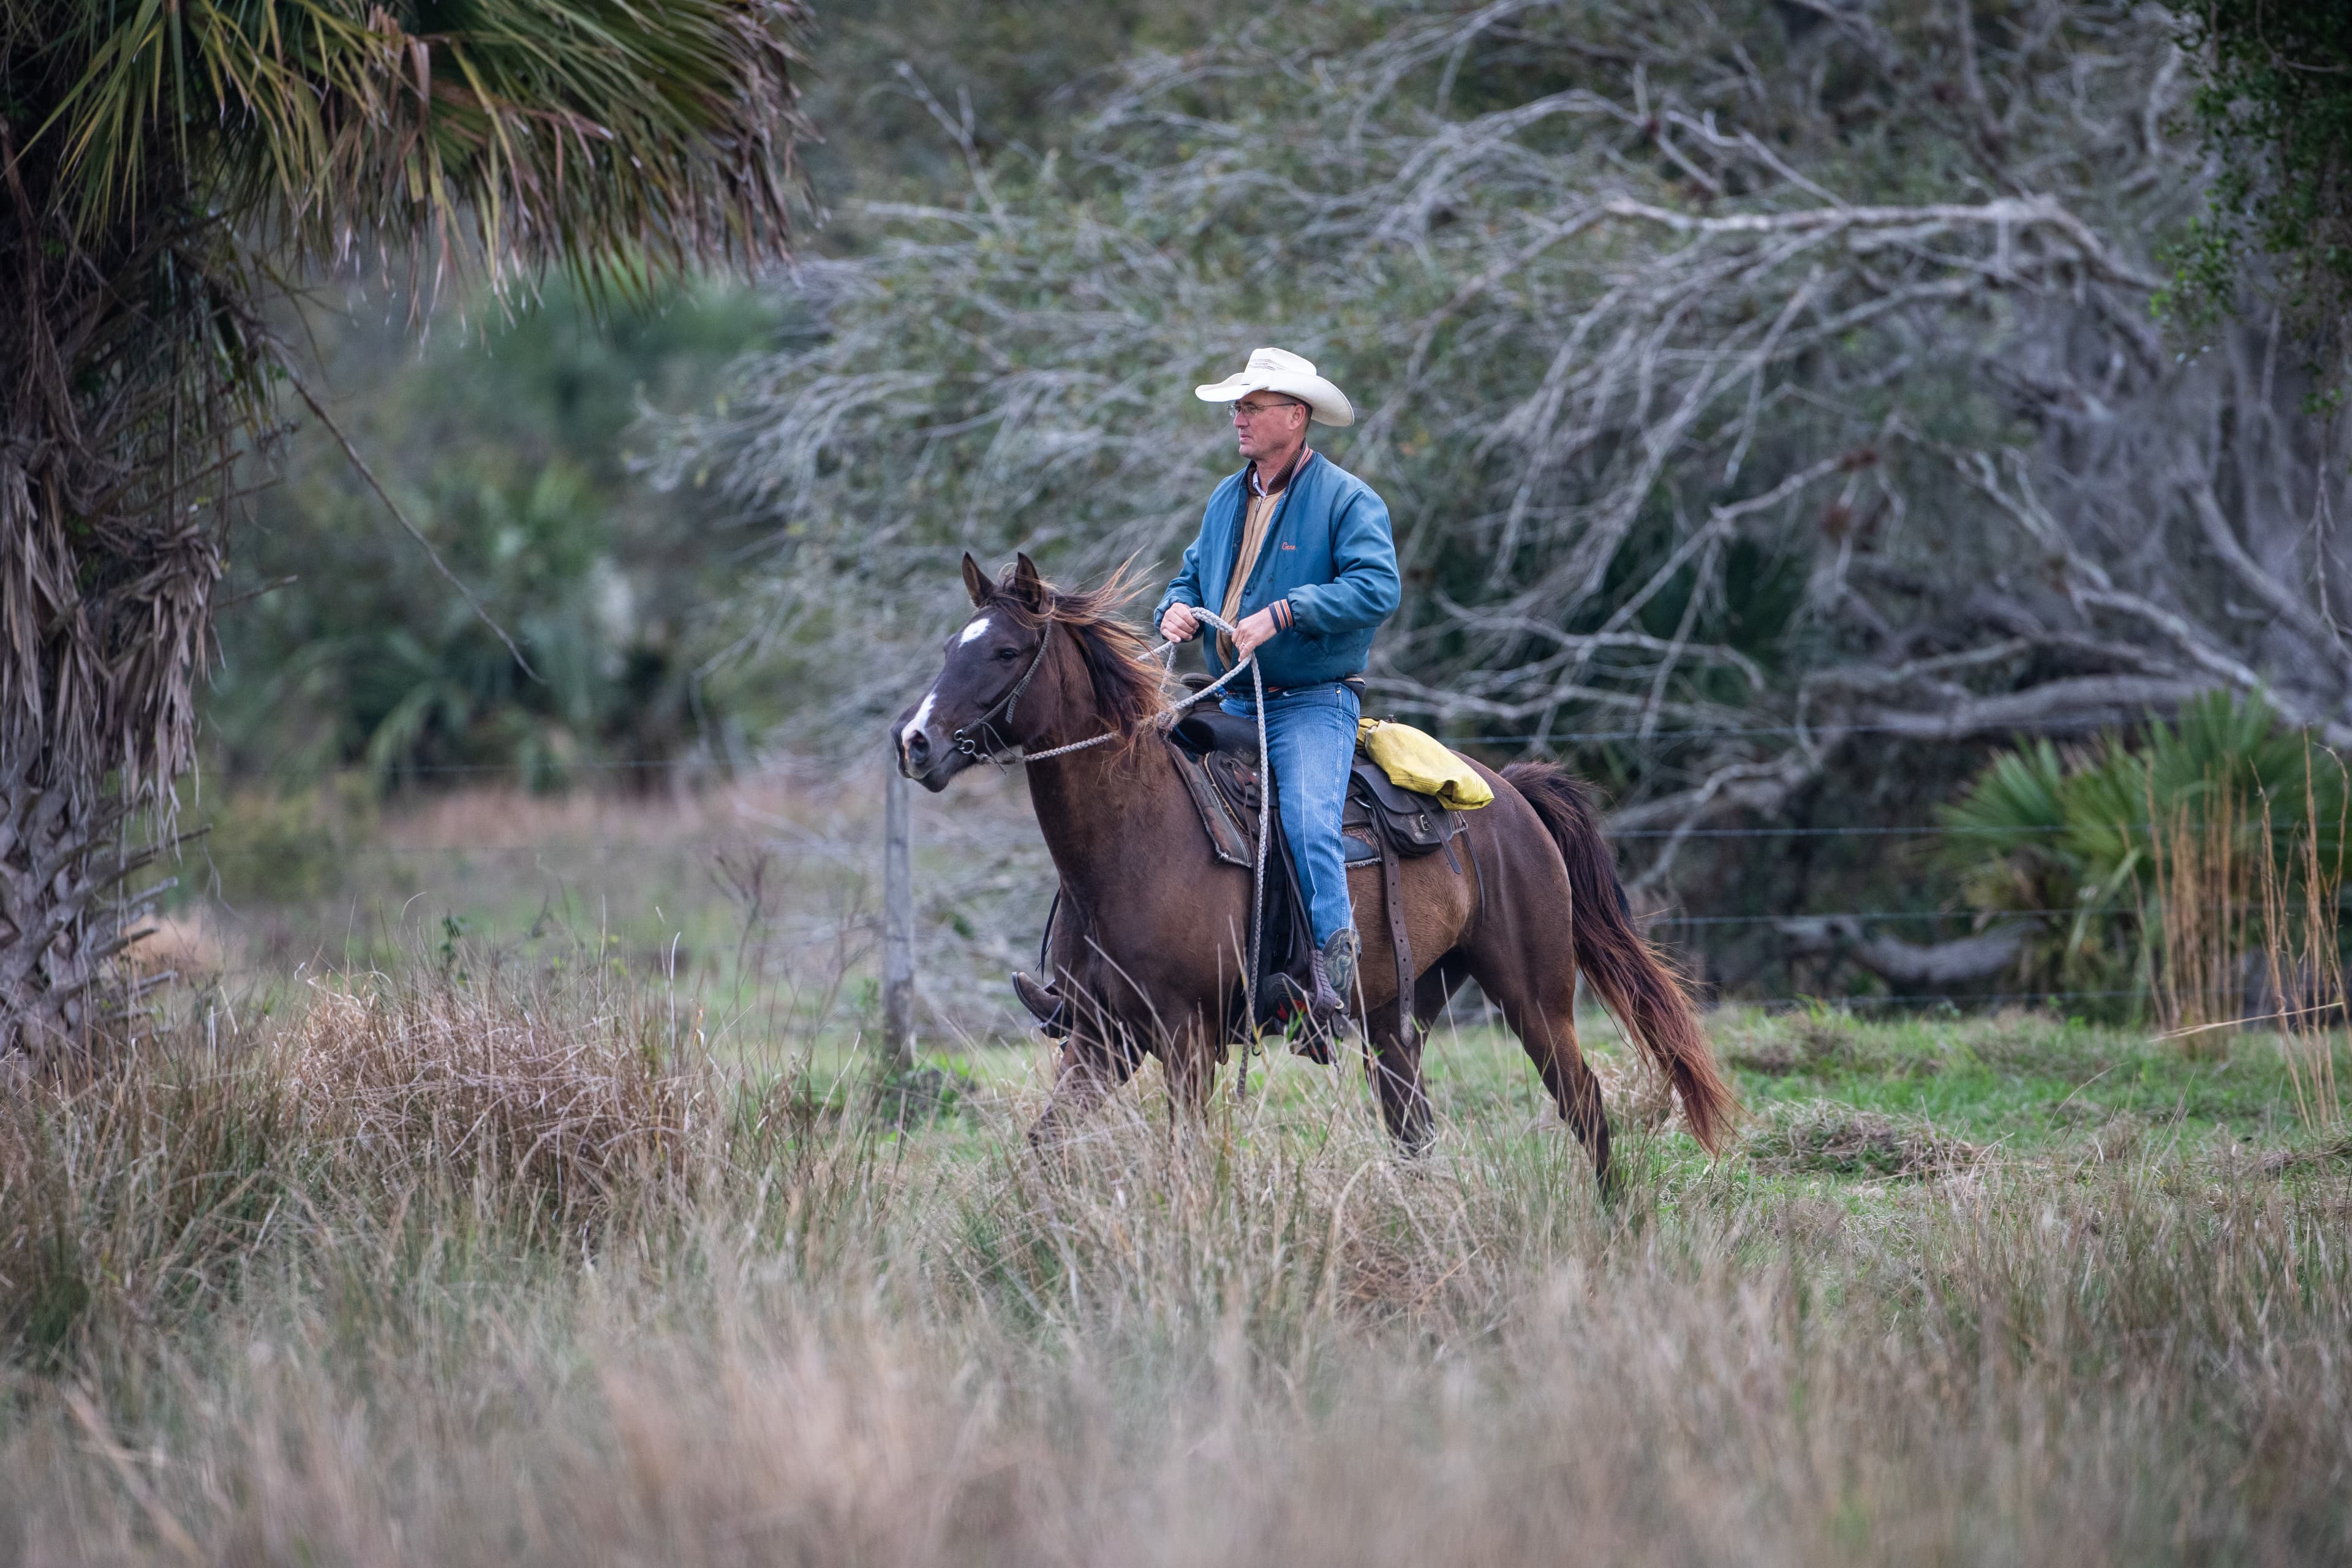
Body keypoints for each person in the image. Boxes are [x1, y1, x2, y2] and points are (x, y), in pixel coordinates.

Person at [1012, 347, 1400, 1037]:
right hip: (1236, 700)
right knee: (1121, 798)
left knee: (1310, 822)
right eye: (1237, 407)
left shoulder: (1347, 499)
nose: (1238, 418)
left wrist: (1286, 612)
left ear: (1295, 415)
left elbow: (1378, 587)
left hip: (1313, 701)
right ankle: (1080, 982)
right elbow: (1191, 578)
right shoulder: (1229, 498)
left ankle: (1333, 981)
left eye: (1251, 407)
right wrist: (1176, 609)